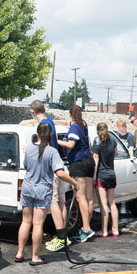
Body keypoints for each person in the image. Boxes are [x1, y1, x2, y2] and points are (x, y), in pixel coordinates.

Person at [15, 123, 78, 264]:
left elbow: (26, 166)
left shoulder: (29, 148)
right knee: (37, 225)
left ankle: (19, 254)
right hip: (42, 191)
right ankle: (35, 257)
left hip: (27, 189)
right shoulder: (52, 152)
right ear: (50, 135)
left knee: (25, 222)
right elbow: (60, 173)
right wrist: (74, 182)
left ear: (37, 134)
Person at [51, 105, 95, 248]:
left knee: (79, 197)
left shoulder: (75, 128)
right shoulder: (82, 124)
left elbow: (70, 145)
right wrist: (54, 122)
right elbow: (67, 123)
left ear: (70, 114)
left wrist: (55, 141)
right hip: (89, 162)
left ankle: (86, 229)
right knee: (88, 198)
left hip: (79, 163)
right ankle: (85, 228)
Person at [25, 100, 68, 230]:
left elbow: (44, 147)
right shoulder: (49, 121)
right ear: (43, 110)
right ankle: (64, 233)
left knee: (53, 202)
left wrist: (30, 148)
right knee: (61, 202)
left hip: (50, 167)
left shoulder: (43, 125)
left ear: (32, 111)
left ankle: (60, 235)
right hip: (58, 163)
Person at [91, 123, 120, 236]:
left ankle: (104, 231)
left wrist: (94, 176)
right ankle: (115, 229)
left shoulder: (97, 141)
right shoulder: (112, 140)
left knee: (103, 205)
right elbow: (116, 152)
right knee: (112, 203)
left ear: (98, 131)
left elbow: (96, 158)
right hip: (112, 175)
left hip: (101, 176)